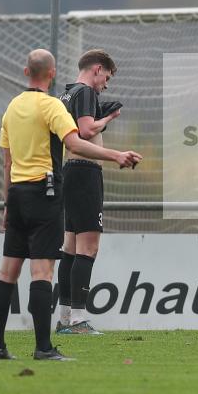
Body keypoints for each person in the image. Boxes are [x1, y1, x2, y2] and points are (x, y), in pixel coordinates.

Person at [0, 49, 141, 361]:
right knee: (42, 271)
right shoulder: (52, 106)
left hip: (16, 194)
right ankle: (45, 346)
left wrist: (6, 205)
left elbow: (7, 162)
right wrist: (116, 154)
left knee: (7, 272)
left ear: (26, 71)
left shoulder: (12, 107)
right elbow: (76, 142)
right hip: (44, 193)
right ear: (52, 73)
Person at [55, 50, 123, 336]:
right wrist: (108, 117)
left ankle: (65, 318)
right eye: (106, 77)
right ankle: (77, 321)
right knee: (88, 247)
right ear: (97, 69)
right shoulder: (85, 92)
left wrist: (100, 115)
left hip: (70, 173)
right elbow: (84, 131)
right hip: (85, 173)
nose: (105, 84)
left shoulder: (68, 94)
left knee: (70, 248)